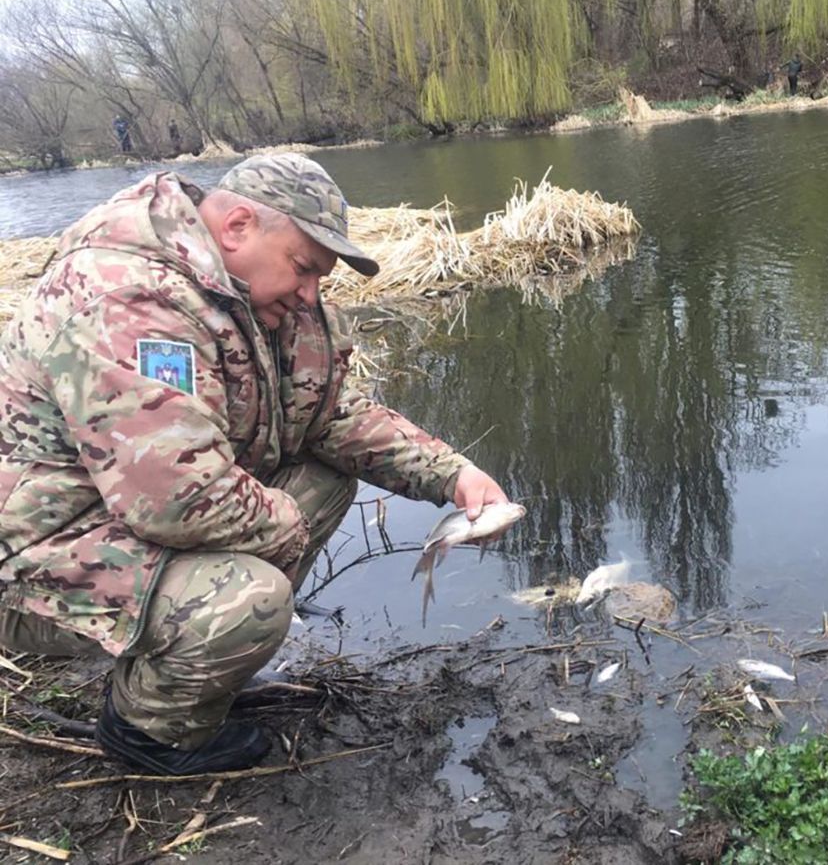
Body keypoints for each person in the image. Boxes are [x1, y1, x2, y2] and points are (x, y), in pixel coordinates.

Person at [0, 153, 511, 776]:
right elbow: (177, 499)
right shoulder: (130, 300)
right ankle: (150, 731)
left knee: (324, 477)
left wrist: (451, 474)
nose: (310, 294)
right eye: (303, 268)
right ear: (239, 226)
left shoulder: (256, 299)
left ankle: (203, 656)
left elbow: (330, 418)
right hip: (32, 556)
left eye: (320, 278)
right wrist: (284, 538)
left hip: (123, 516)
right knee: (254, 598)